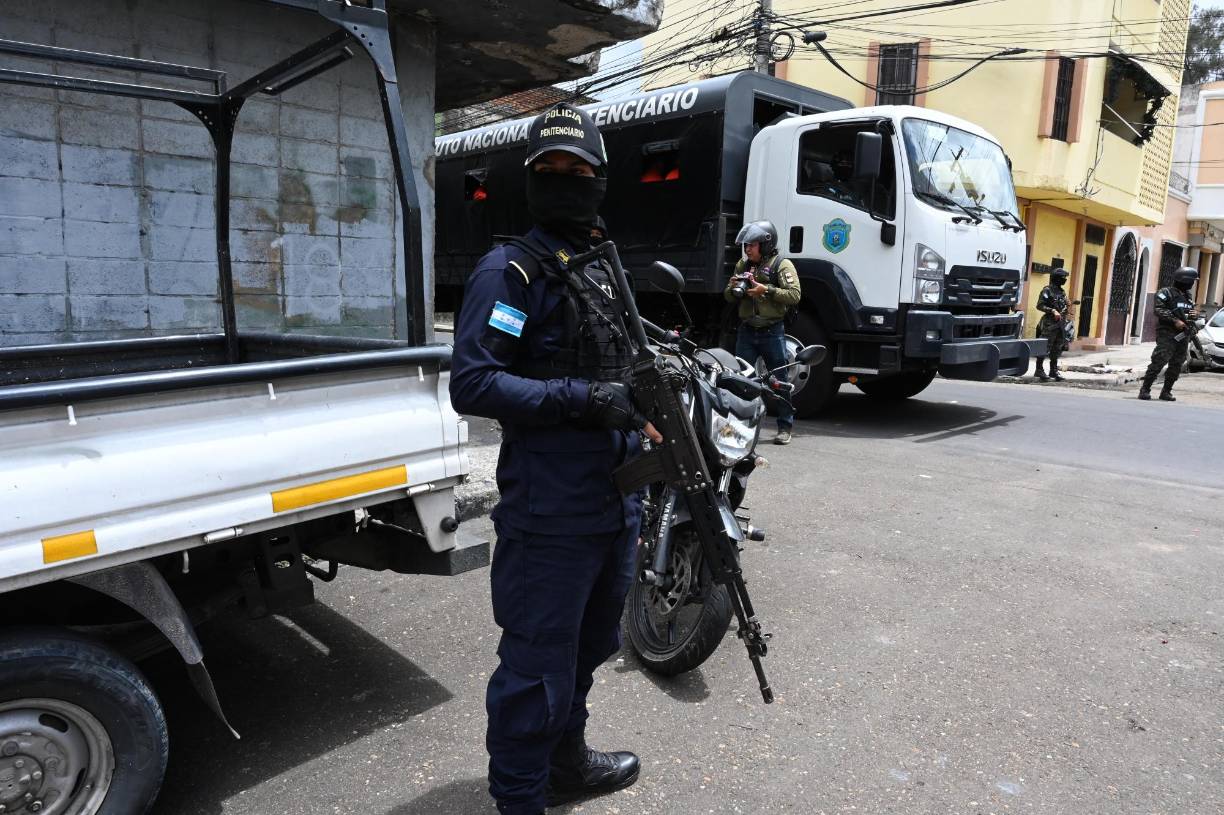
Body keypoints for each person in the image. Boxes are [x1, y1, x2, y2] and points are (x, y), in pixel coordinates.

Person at [449, 103, 659, 815]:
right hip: (550, 512)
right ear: (533, 182)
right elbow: (473, 381)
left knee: (591, 646)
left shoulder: (601, 264)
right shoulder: (509, 272)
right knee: (536, 666)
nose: (568, 181)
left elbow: (625, 364)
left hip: (615, 500)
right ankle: (519, 799)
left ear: (601, 180)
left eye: (581, 170)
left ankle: (566, 763)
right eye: (551, 171)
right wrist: (582, 397)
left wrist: (651, 406)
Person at [724, 220, 802, 444]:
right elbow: (728, 297)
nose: (747, 249)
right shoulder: (743, 265)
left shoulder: (782, 264)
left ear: (766, 245)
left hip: (772, 331)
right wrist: (732, 288)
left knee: (780, 380)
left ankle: (785, 427)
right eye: (746, 245)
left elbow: (795, 295)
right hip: (747, 331)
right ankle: (737, 428)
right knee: (740, 380)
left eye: (752, 245)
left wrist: (765, 289)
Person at [1139, 266, 1200, 401]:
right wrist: (1174, 320)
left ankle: (1166, 391)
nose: (1192, 284)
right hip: (1167, 333)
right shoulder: (1165, 293)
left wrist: (1193, 315)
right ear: (1185, 281)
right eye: (1192, 281)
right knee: (1159, 360)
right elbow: (1158, 309)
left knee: (1177, 363)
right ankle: (1145, 389)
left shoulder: (1187, 296)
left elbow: (1187, 314)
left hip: (1183, 335)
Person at [1033, 268, 1070, 382]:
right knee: (1044, 346)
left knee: (1057, 348)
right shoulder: (1047, 290)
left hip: (1060, 324)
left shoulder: (1062, 292)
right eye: (1062, 278)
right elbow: (1040, 305)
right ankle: (1039, 369)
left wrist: (1067, 305)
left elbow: (1064, 306)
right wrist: (1052, 311)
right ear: (1056, 278)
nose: (1064, 280)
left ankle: (1053, 370)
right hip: (1049, 324)